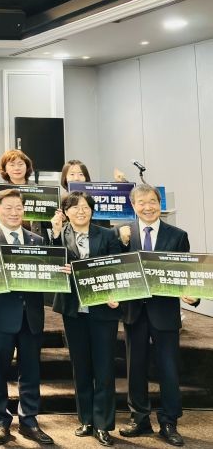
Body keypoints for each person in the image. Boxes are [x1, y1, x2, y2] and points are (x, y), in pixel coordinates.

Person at [117, 183, 199, 447]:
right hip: (134, 311)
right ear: (133, 206)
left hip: (164, 312)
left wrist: (193, 295)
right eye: (141, 202)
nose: (148, 207)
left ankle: (169, 422)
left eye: (152, 201)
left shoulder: (178, 235)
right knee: (135, 368)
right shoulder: (121, 234)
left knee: (168, 369)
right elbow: (114, 269)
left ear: (160, 204)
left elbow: (187, 273)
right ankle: (139, 419)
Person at [0, 189, 54, 445]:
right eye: (8, 207)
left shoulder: (37, 240)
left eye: (18, 208)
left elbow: (47, 274)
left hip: (31, 316)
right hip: (0, 316)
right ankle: (0, 421)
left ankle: (29, 420)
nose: (14, 212)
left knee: (31, 371)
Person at [50, 191, 122, 447]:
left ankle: (103, 424)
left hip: (103, 309)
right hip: (74, 310)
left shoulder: (108, 235)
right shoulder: (60, 235)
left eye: (86, 207)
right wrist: (55, 235)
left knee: (104, 368)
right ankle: (86, 419)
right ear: (65, 212)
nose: (81, 211)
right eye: (75, 207)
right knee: (80, 366)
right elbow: (51, 265)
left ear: (92, 210)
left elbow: (117, 267)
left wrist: (115, 294)